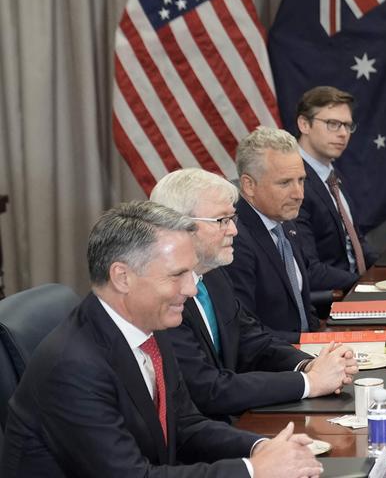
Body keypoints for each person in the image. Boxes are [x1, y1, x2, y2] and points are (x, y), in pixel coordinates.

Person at [0, 201, 322, 478]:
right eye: (176, 275)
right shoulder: (72, 366)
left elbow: (185, 425)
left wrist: (261, 446)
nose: (192, 289)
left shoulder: (150, 325)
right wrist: (253, 470)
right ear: (122, 277)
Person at [150, 168, 358, 422]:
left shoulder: (213, 275)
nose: (234, 231)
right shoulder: (162, 297)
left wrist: (309, 364)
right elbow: (208, 389)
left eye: (232, 219)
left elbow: (252, 340)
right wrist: (308, 382)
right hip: (200, 438)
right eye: (221, 221)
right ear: (179, 226)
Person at [226, 126, 318, 343]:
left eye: (301, 180)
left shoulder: (283, 221)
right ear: (249, 185)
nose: (299, 194)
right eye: (285, 183)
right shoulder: (234, 238)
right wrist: (312, 345)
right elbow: (246, 331)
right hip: (274, 366)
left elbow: (303, 306)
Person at [295, 86, 378, 293]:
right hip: (330, 300)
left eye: (347, 126)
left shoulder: (331, 173)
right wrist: (366, 284)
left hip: (354, 287)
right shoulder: (294, 180)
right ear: (304, 124)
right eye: (332, 124)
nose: (343, 133)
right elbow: (308, 269)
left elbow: (356, 241)